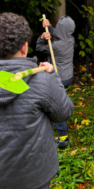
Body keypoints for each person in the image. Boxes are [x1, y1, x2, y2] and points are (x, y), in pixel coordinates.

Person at [0, 12, 74, 189]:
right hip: (32, 174)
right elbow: (64, 113)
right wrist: (52, 77)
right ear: (25, 47)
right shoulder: (42, 80)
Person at [36, 16, 75, 149]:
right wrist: (49, 26)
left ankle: (63, 136)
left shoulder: (56, 46)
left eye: (58, 26)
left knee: (56, 105)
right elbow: (59, 33)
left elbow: (39, 47)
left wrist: (42, 37)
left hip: (59, 78)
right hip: (68, 76)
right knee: (58, 100)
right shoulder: (70, 39)